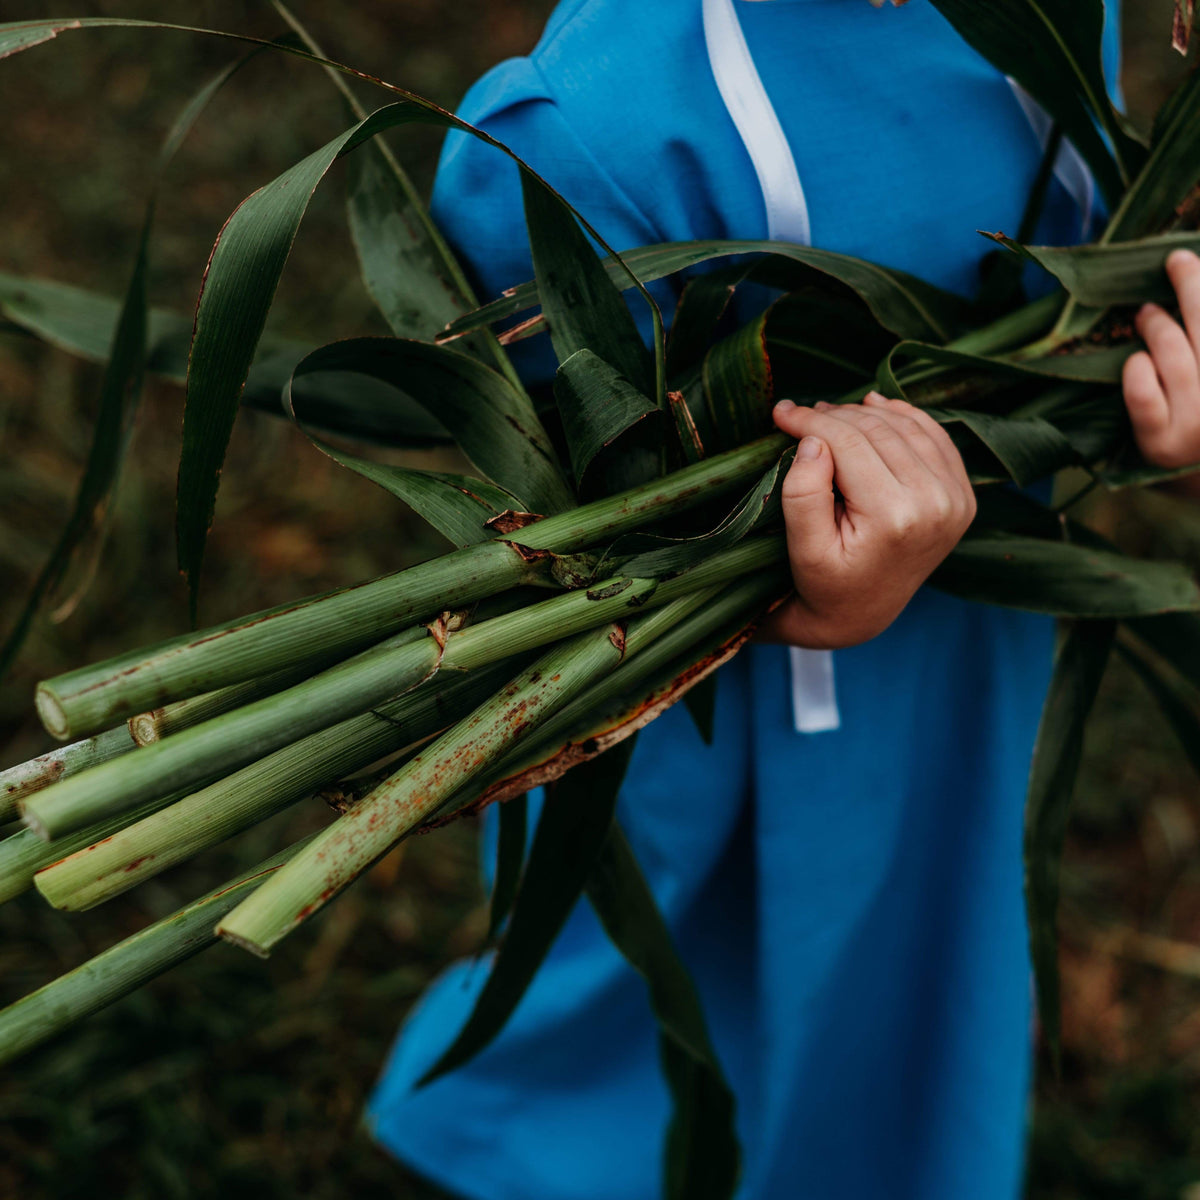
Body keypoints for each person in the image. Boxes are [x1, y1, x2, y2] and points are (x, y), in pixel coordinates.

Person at [368, 2, 1200, 1197]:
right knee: (689, 1003)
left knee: (926, 949)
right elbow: (560, 486)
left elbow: (1065, 284)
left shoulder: (1060, 13)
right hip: (708, 708)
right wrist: (775, 578)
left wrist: (1134, 386)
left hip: (967, 641)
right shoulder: (595, 131)